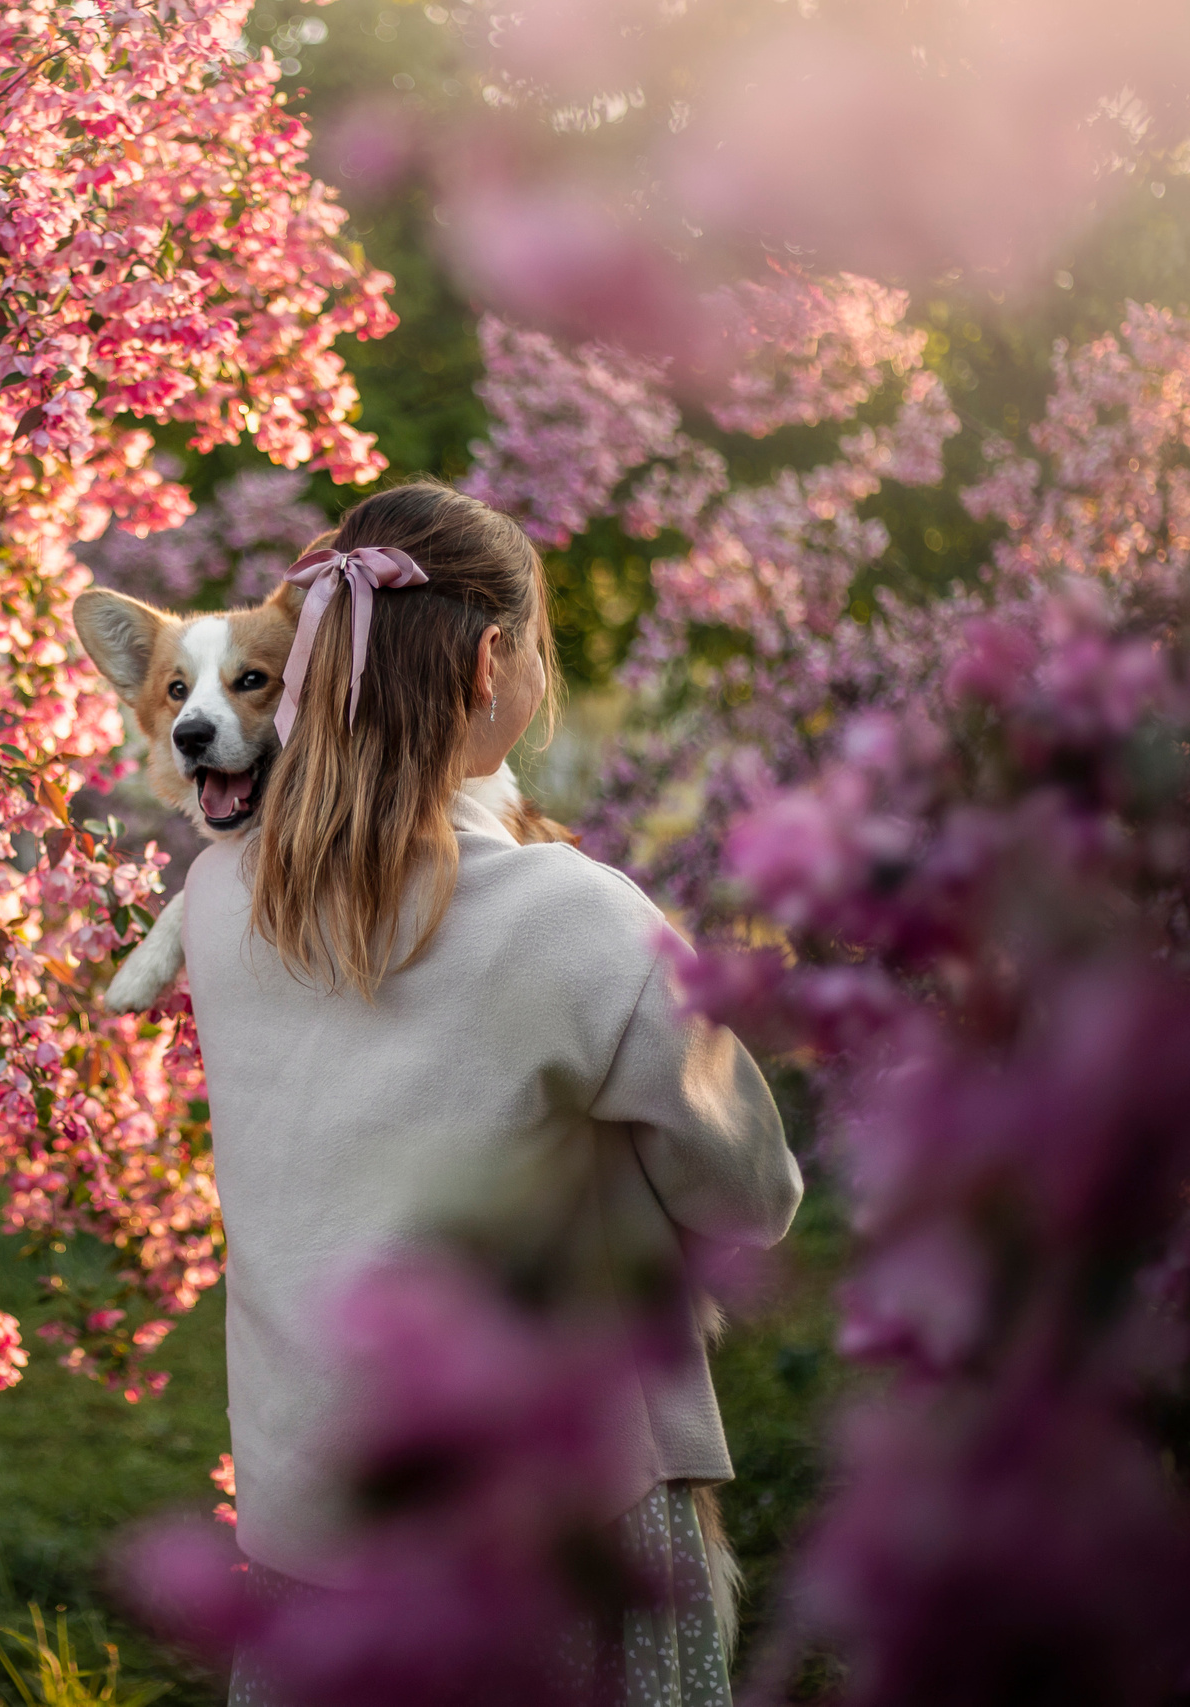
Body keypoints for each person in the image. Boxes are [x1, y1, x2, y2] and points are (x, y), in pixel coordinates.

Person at [180, 481, 803, 1706]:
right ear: (488, 661)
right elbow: (753, 1200)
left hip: (316, 1527)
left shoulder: (214, 904)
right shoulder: (579, 917)